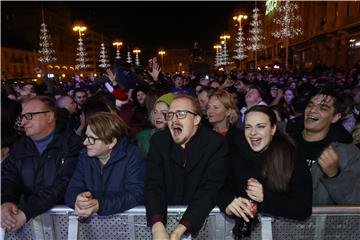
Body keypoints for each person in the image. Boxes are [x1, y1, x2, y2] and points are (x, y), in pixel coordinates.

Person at [218, 105, 312, 239]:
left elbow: (303, 209)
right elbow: (220, 184)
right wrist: (226, 202)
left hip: (286, 234)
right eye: (248, 127)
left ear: (273, 129)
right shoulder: (235, 150)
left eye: (260, 126)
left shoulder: (291, 155)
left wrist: (265, 198)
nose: (253, 133)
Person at [145, 94, 229, 240]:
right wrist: (157, 227)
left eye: (181, 114)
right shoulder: (159, 142)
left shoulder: (215, 144)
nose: (174, 120)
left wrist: (179, 231)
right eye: (170, 115)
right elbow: (153, 184)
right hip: (164, 221)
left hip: (200, 223)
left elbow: (209, 190)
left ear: (196, 119)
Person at [1, 96, 83, 232]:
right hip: (33, 226)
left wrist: (27, 211)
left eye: (29, 116)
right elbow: (9, 179)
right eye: (22, 117)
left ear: (49, 117)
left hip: (69, 224)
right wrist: (7, 201)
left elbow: (63, 184)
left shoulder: (73, 144)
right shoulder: (20, 146)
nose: (23, 122)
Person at [65, 112, 145, 217]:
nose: (85, 142)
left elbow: (136, 195)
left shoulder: (132, 156)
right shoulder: (85, 156)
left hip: (127, 224)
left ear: (111, 142)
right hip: (94, 227)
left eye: (92, 139)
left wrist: (100, 205)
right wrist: (79, 199)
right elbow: (72, 190)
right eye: (86, 136)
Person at [289, 86, 360, 205]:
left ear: (335, 117)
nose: (312, 110)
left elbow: (356, 202)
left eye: (323, 107)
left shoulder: (348, 154)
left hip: (323, 223)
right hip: (285, 221)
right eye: (310, 105)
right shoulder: (285, 143)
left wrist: (335, 175)